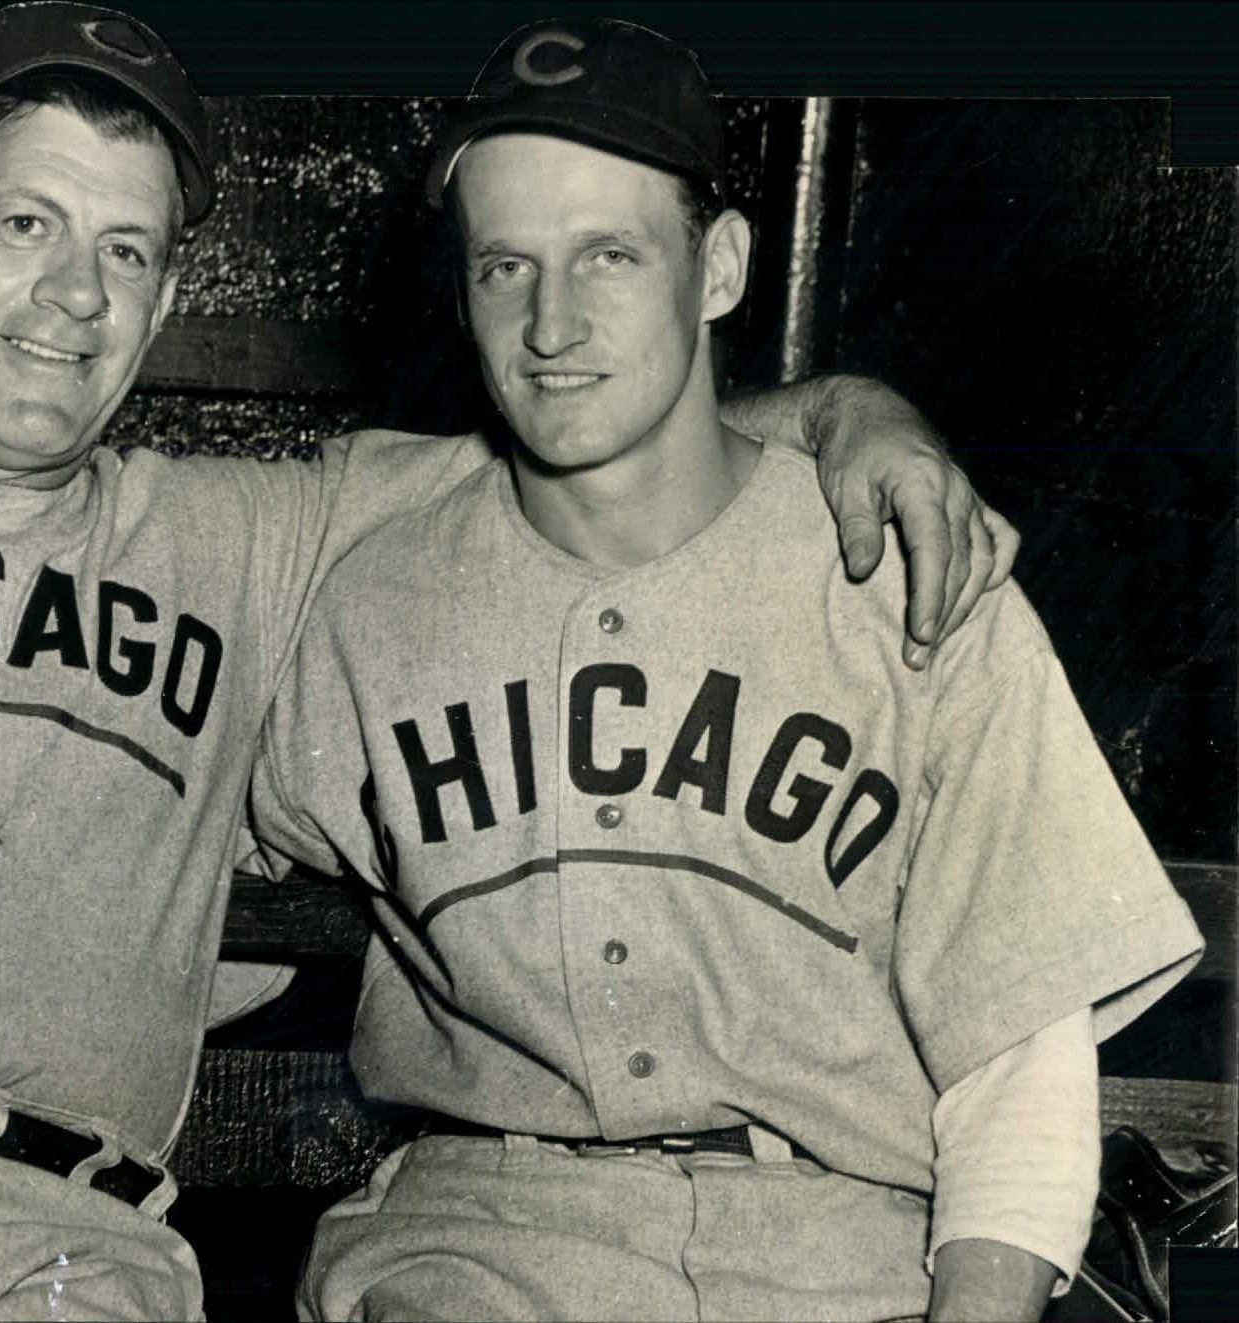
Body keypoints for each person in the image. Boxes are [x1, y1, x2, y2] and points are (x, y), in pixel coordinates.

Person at [0, 4, 1014, 1319]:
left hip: (53, 1256)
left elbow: (598, 423)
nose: (77, 294)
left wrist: (842, 413)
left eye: (128, 252)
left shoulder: (254, 537)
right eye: (27, 224)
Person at [249, 17, 1206, 1323]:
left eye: (607, 257)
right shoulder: (353, 579)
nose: (549, 324)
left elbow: (1017, 1081)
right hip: (473, 1244)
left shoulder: (905, 569)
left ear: (719, 267)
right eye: (502, 267)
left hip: (835, 1250)